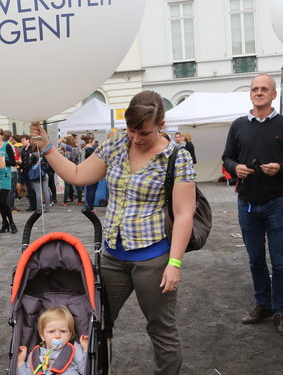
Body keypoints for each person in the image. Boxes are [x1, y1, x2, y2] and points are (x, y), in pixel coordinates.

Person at [30, 90, 196, 374]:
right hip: (113, 257)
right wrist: (47, 148)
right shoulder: (116, 144)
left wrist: (174, 263)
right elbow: (79, 175)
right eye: (131, 130)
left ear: (161, 124)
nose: (136, 138)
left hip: (154, 258)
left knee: (161, 328)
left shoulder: (176, 157)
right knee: (97, 323)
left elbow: (183, 214)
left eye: (143, 132)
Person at [222, 73, 283, 337]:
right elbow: (227, 158)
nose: (259, 92)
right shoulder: (238, 125)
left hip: (276, 203)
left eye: (264, 89)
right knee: (255, 261)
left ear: (274, 94)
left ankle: (281, 312)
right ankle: (262, 305)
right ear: (251, 94)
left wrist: (279, 168)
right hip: (248, 205)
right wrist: (236, 169)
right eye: (255, 89)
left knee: (278, 263)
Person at [16, 306, 89, 375]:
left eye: (63, 331)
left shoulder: (73, 348)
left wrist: (85, 348)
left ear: (70, 335)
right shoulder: (36, 354)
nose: (57, 335)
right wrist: (20, 361)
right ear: (43, 336)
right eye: (51, 331)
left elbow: (85, 371)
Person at [0, 128, 18, 233]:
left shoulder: (6, 146)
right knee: (0, 202)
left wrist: (2, 161)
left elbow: (13, 162)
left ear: (2, 136)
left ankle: (11, 223)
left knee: (3, 200)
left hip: (5, 176)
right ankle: (4, 223)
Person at [82, 133, 98, 211]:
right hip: (93, 172)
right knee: (92, 190)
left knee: (88, 190)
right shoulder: (91, 150)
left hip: (85, 171)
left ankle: (89, 206)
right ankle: (91, 207)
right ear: (91, 140)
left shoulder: (83, 149)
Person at [20, 134, 36, 211]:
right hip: (25, 171)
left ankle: (36, 204)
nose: (22, 142)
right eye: (21, 140)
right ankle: (32, 204)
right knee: (29, 189)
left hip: (32, 171)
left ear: (28, 140)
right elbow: (23, 161)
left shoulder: (32, 149)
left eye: (23, 140)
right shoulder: (23, 150)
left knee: (33, 188)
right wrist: (21, 168)